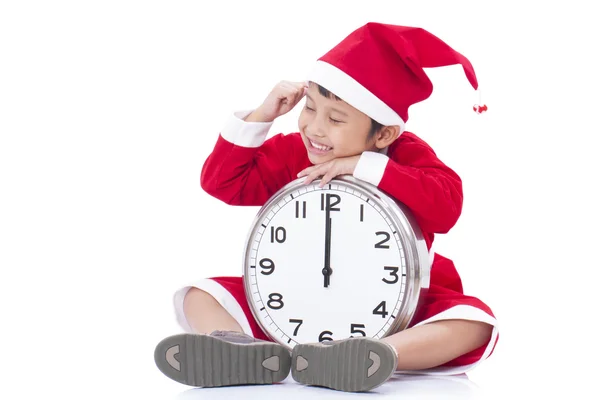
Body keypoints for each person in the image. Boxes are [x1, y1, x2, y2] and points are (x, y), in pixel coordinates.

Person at [154, 22, 499, 393]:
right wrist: (262, 115)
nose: (315, 129)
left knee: (475, 322)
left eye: (335, 119)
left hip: (402, 307)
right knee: (199, 295)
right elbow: (223, 182)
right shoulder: (295, 154)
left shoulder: (404, 155)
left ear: (383, 133)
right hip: (293, 302)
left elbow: (447, 205)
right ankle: (242, 350)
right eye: (310, 109)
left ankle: (377, 354)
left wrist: (365, 167)